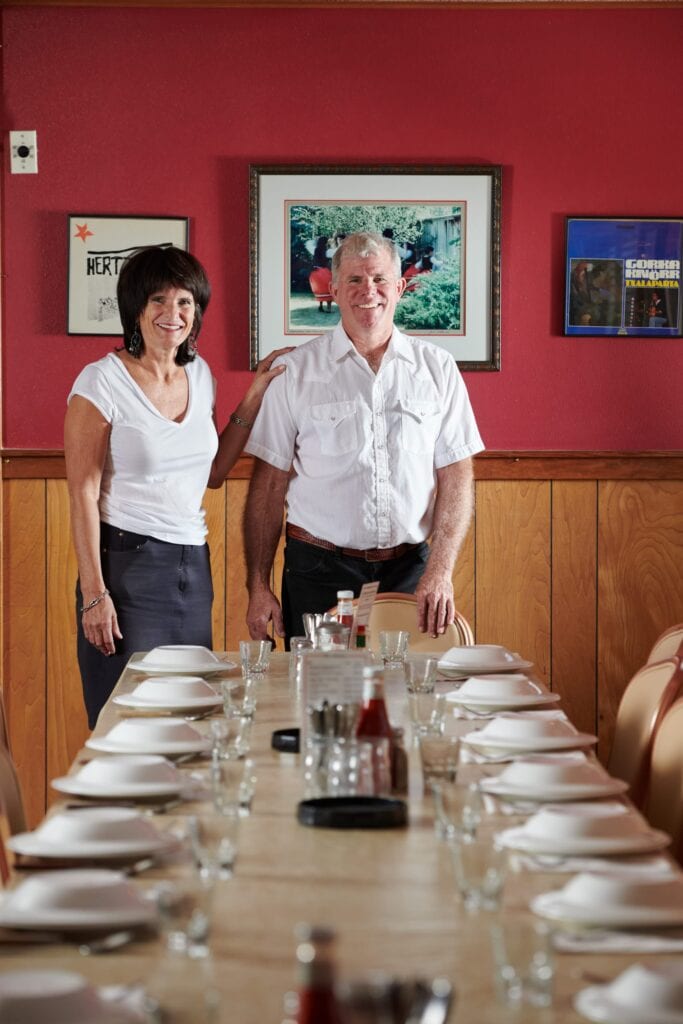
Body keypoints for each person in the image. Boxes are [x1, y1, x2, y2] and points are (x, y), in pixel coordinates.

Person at [64, 245, 290, 726]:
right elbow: (82, 493)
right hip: (125, 570)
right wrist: (94, 595)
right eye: (159, 301)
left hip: (192, 567)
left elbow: (213, 473)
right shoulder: (100, 382)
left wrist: (252, 394)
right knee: (128, 722)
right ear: (136, 309)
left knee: (189, 720)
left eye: (185, 301)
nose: (174, 313)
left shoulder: (201, 375)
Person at [243, 231, 484, 645]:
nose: (367, 291)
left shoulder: (438, 368)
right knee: (321, 702)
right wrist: (258, 586)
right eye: (353, 280)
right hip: (318, 571)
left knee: (406, 700)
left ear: (399, 287)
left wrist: (441, 570)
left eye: (378, 279)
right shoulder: (294, 372)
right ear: (334, 290)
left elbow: (457, 475)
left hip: (409, 571)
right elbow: (267, 487)